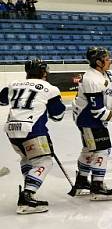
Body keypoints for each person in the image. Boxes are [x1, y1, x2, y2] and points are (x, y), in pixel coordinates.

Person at [1, 59, 66, 214]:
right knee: (44, 161)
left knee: (27, 158)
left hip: (11, 129)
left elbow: (2, 101)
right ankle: (27, 196)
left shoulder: (13, 84)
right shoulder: (50, 88)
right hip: (32, 130)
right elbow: (58, 115)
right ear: (43, 72)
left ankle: (28, 189)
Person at [71, 47, 112, 200]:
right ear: (98, 62)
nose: (110, 61)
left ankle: (81, 182)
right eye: (107, 59)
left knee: (89, 149)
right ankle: (97, 186)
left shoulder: (109, 75)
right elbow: (97, 111)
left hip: (95, 118)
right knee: (103, 149)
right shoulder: (91, 79)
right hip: (87, 119)